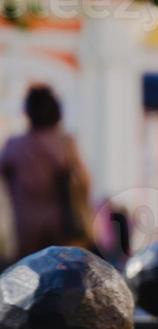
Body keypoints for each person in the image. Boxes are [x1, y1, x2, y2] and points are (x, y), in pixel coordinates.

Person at [0, 85, 93, 262]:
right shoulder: (65, 144)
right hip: (64, 230)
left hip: (26, 230)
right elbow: (85, 183)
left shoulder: (14, 146)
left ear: (28, 113)